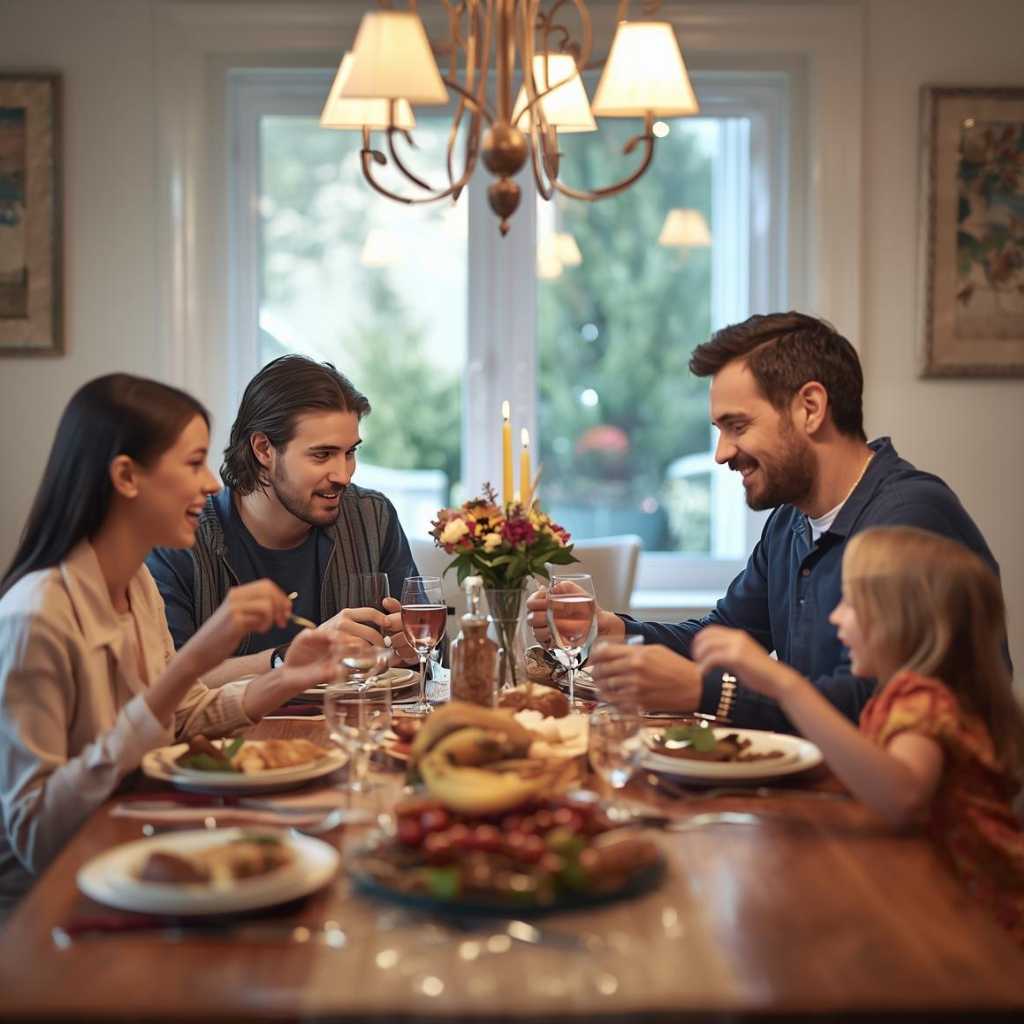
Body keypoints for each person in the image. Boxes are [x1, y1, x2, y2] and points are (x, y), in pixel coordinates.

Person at [530, 311, 1002, 732]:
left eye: (737, 426)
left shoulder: (910, 521)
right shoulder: (790, 522)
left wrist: (705, 692)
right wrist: (610, 627)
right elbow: (722, 636)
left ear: (810, 408)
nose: (721, 455)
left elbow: (880, 706)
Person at [0, 374, 337, 914]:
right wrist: (194, 660)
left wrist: (285, 678)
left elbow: (178, 718)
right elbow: (36, 836)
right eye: (193, 462)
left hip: (134, 850)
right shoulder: (36, 616)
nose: (210, 483)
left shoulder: (135, 584)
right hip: (50, 905)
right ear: (127, 476)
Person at [693, 526, 1024, 944]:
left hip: (987, 930)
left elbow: (901, 796)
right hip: (940, 908)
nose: (835, 617)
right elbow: (862, 774)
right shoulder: (901, 696)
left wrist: (785, 686)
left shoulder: (924, 701)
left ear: (901, 619)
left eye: (849, 603)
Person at [147, 355, 420, 686]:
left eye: (349, 453)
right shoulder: (182, 537)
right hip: (232, 736)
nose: (343, 475)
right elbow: (166, 683)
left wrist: (411, 649)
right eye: (322, 455)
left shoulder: (372, 518)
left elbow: (428, 658)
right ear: (263, 449)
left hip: (353, 728)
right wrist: (285, 659)